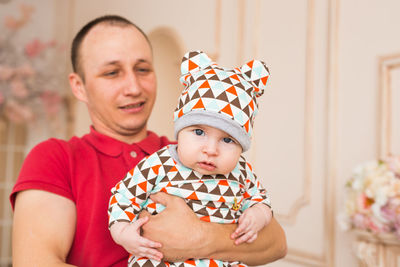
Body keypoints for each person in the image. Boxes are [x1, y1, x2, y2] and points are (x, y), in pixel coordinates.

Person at [10, 15, 287, 267]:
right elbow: (35, 262)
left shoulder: (194, 156)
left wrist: (199, 236)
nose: (134, 87)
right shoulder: (56, 157)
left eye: (142, 69)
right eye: (112, 72)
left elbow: (276, 243)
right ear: (78, 86)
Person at [108, 50, 273, 267]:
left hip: (220, 260)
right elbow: (123, 196)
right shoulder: (160, 164)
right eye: (198, 132)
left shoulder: (241, 172)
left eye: (227, 140)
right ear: (180, 130)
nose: (211, 150)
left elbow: (261, 201)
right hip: (160, 259)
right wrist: (122, 233)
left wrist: (257, 215)